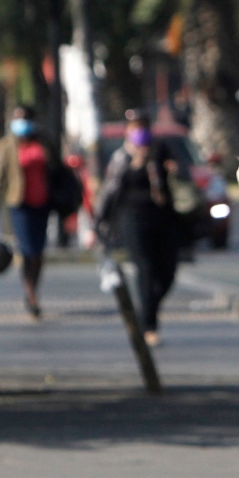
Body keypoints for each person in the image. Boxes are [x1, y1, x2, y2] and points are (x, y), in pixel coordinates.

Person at [94, 110, 179, 347]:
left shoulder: (160, 150)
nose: (139, 132)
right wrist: (98, 222)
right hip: (131, 219)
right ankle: (148, 325)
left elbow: (181, 175)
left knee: (167, 272)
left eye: (142, 127)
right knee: (145, 268)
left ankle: (147, 307)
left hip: (162, 219)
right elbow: (109, 191)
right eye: (134, 127)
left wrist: (172, 169)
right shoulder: (121, 157)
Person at [0, 106, 57, 319]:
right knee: (27, 250)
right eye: (17, 118)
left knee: (38, 252)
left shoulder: (44, 141)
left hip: (42, 204)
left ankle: (34, 288)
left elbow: (57, 169)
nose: (21, 123)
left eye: (25, 118)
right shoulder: (7, 146)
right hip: (19, 205)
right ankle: (31, 295)